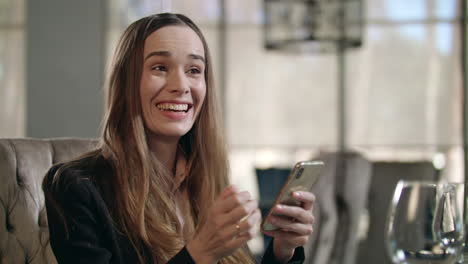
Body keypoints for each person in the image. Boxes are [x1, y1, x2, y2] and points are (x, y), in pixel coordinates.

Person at [42, 13, 316, 264]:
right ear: (128, 82)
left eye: (194, 70)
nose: (181, 85)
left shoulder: (209, 181)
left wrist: (282, 251)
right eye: (160, 67)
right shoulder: (74, 187)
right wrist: (201, 253)